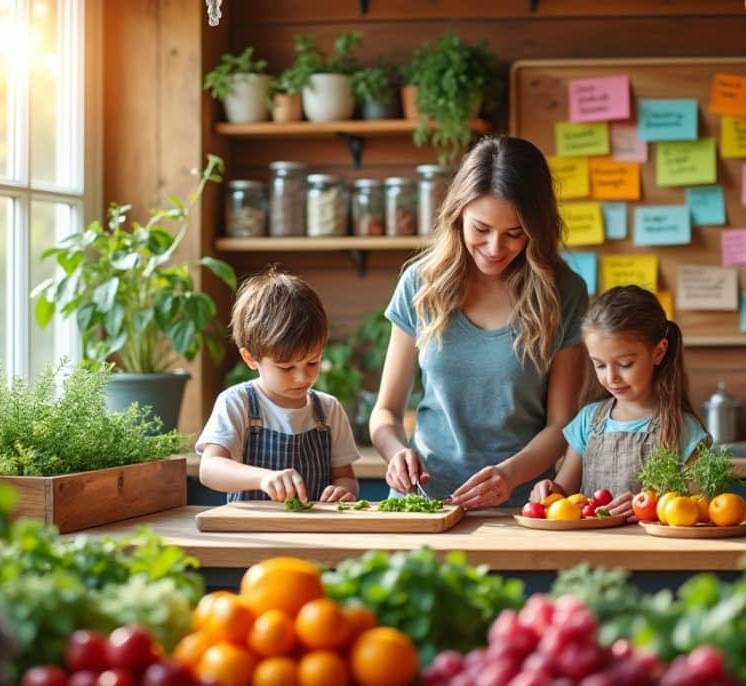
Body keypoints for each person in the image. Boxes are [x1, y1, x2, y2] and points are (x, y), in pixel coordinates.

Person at [371, 136, 588, 509]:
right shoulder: (421, 284)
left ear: (535, 229)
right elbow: (386, 412)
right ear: (457, 215)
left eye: (514, 234)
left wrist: (509, 475)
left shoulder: (563, 292)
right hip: (421, 502)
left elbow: (562, 428)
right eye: (481, 229)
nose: (494, 248)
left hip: (520, 507)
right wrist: (395, 453)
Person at [529, 286, 709, 518]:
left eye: (625, 364)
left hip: (654, 551)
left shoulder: (681, 428)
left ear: (658, 352)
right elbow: (565, 491)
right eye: (600, 365)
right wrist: (548, 491)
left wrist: (648, 507)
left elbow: (697, 508)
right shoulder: (588, 420)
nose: (611, 378)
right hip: (593, 548)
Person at [197, 269, 359, 503]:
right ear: (251, 358)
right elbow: (210, 468)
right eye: (286, 368)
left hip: (314, 534)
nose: (301, 377)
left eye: (313, 362)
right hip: (249, 535)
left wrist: (344, 491)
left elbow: (346, 478)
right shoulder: (237, 402)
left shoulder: (329, 410)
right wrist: (263, 478)